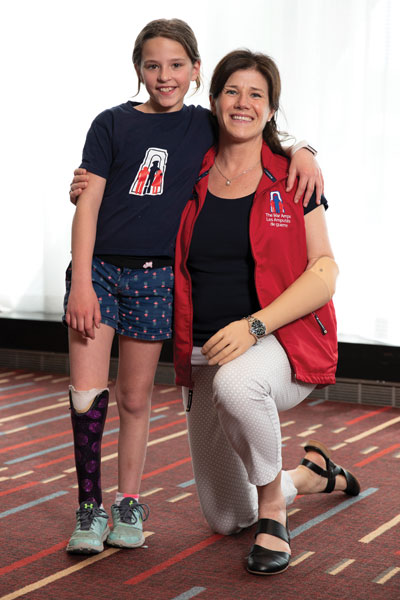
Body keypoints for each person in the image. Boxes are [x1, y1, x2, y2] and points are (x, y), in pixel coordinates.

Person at [65, 19, 323, 555]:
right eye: (153, 65)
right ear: (138, 69)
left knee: (149, 397)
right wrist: (82, 273)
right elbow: (95, 198)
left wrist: (306, 151)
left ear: (195, 71)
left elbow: (259, 125)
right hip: (144, 306)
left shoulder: (235, 143)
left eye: (177, 65)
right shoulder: (148, 133)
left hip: (202, 307)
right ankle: (89, 507)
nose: (165, 76)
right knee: (92, 398)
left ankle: (256, 505)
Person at [172, 49, 360, 576]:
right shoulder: (191, 171)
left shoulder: (294, 177)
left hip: (280, 342)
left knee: (238, 386)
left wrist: (255, 325)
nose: (243, 103)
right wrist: (90, 181)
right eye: (232, 91)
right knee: (228, 517)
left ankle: (275, 516)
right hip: (204, 351)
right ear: (212, 101)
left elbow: (324, 272)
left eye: (256, 94)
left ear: (272, 109)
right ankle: (309, 476)